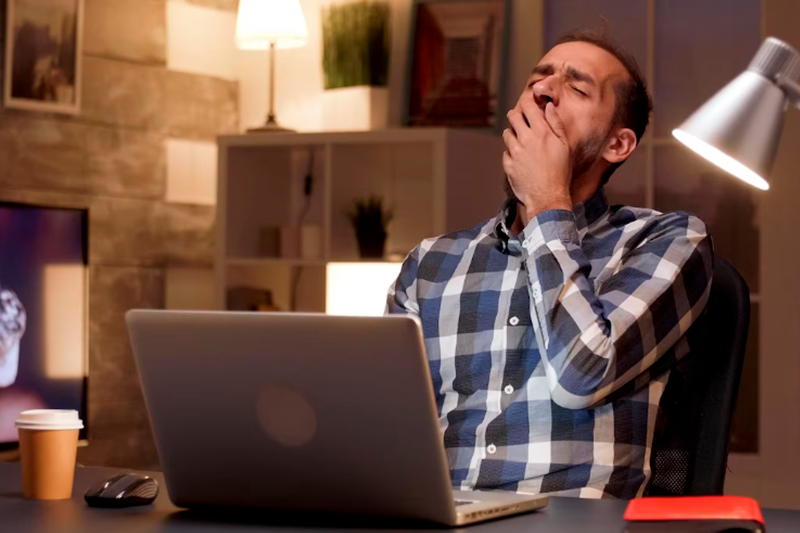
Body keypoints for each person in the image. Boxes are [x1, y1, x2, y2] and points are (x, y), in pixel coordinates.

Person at [386, 29, 713, 499]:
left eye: (576, 88)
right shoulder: (431, 263)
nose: (543, 89)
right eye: (536, 79)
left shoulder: (667, 240)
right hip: (442, 519)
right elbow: (388, 435)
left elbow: (581, 376)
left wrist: (545, 201)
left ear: (618, 145)